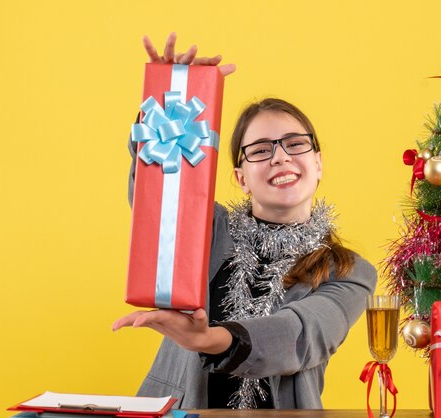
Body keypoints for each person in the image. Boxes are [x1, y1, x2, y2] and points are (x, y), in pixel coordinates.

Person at [113, 33, 377, 410]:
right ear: (240, 177)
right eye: (260, 150)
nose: (281, 158)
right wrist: (171, 102)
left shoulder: (349, 271)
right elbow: (159, 196)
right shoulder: (207, 228)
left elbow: (299, 335)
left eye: (295, 143)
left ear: (318, 163)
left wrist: (209, 339)